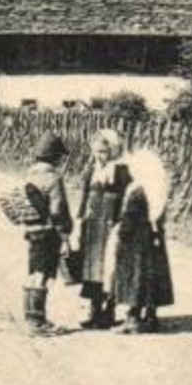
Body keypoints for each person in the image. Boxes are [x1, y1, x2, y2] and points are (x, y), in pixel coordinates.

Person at [110, 148, 174, 333]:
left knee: (135, 278)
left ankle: (133, 318)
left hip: (134, 243)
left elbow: (129, 218)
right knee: (151, 277)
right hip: (152, 240)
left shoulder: (137, 191)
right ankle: (151, 316)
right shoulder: (155, 189)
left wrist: (121, 234)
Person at [75, 128, 132, 329]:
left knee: (110, 267)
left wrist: (122, 222)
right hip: (93, 226)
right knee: (92, 269)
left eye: (104, 152)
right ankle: (94, 310)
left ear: (114, 150)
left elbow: (127, 199)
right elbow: (84, 196)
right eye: (97, 151)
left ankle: (109, 311)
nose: (100, 156)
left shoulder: (122, 171)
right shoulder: (92, 170)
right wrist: (79, 219)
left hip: (111, 225)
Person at [21, 133, 74, 336]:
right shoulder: (53, 177)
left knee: (34, 272)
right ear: (55, 157)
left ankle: (30, 317)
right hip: (49, 231)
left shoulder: (30, 175)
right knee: (43, 274)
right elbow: (58, 209)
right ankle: (37, 321)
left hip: (33, 231)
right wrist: (65, 234)